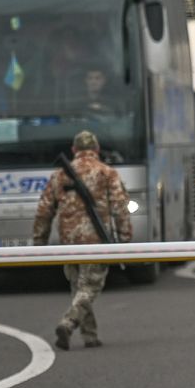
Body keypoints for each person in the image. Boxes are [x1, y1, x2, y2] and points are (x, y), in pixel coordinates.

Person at [32, 130, 132, 350]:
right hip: (96, 240)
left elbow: (44, 210)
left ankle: (90, 335)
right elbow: (120, 208)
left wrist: (39, 242)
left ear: (74, 150)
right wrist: (126, 241)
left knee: (78, 287)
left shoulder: (59, 175)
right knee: (91, 286)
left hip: (69, 242)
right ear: (96, 150)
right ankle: (68, 323)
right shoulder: (107, 172)